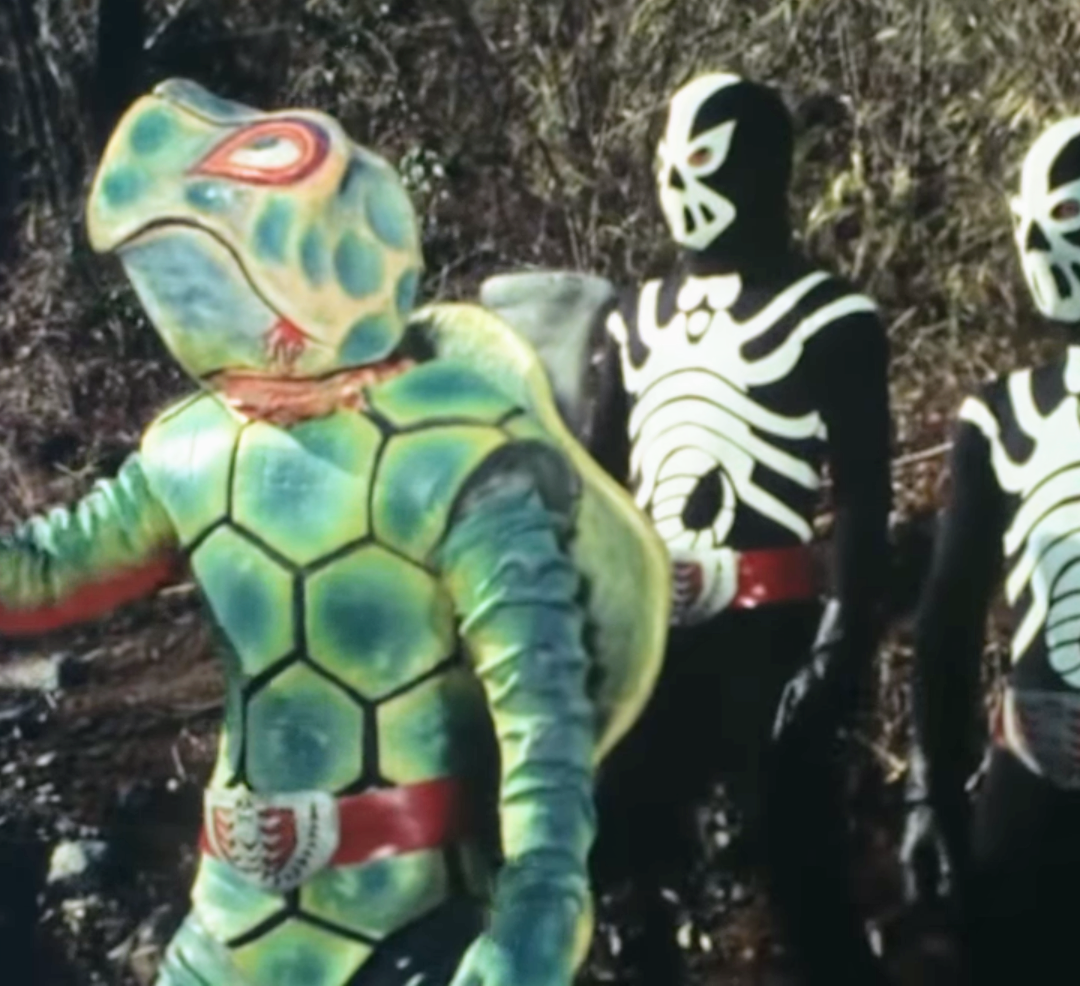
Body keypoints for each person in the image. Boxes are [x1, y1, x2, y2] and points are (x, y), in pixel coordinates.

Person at [0, 79, 669, 986]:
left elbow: (540, 717)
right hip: (232, 916)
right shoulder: (190, 451)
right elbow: (41, 574)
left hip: (405, 918)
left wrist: (536, 912)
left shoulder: (458, 455)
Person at [586, 71, 893, 986]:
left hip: (774, 633)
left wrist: (841, 645)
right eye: (669, 160)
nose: (680, 181)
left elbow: (864, 500)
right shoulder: (632, 317)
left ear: (762, 168)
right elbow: (599, 488)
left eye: (705, 160)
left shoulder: (832, 316)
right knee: (620, 867)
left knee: (801, 876)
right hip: (652, 638)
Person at [903, 114, 1080, 983]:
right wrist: (930, 790)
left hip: (1032, 788)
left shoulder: (1003, 415)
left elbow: (945, 625)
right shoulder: (1000, 414)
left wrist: (930, 791)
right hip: (1034, 786)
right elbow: (946, 623)